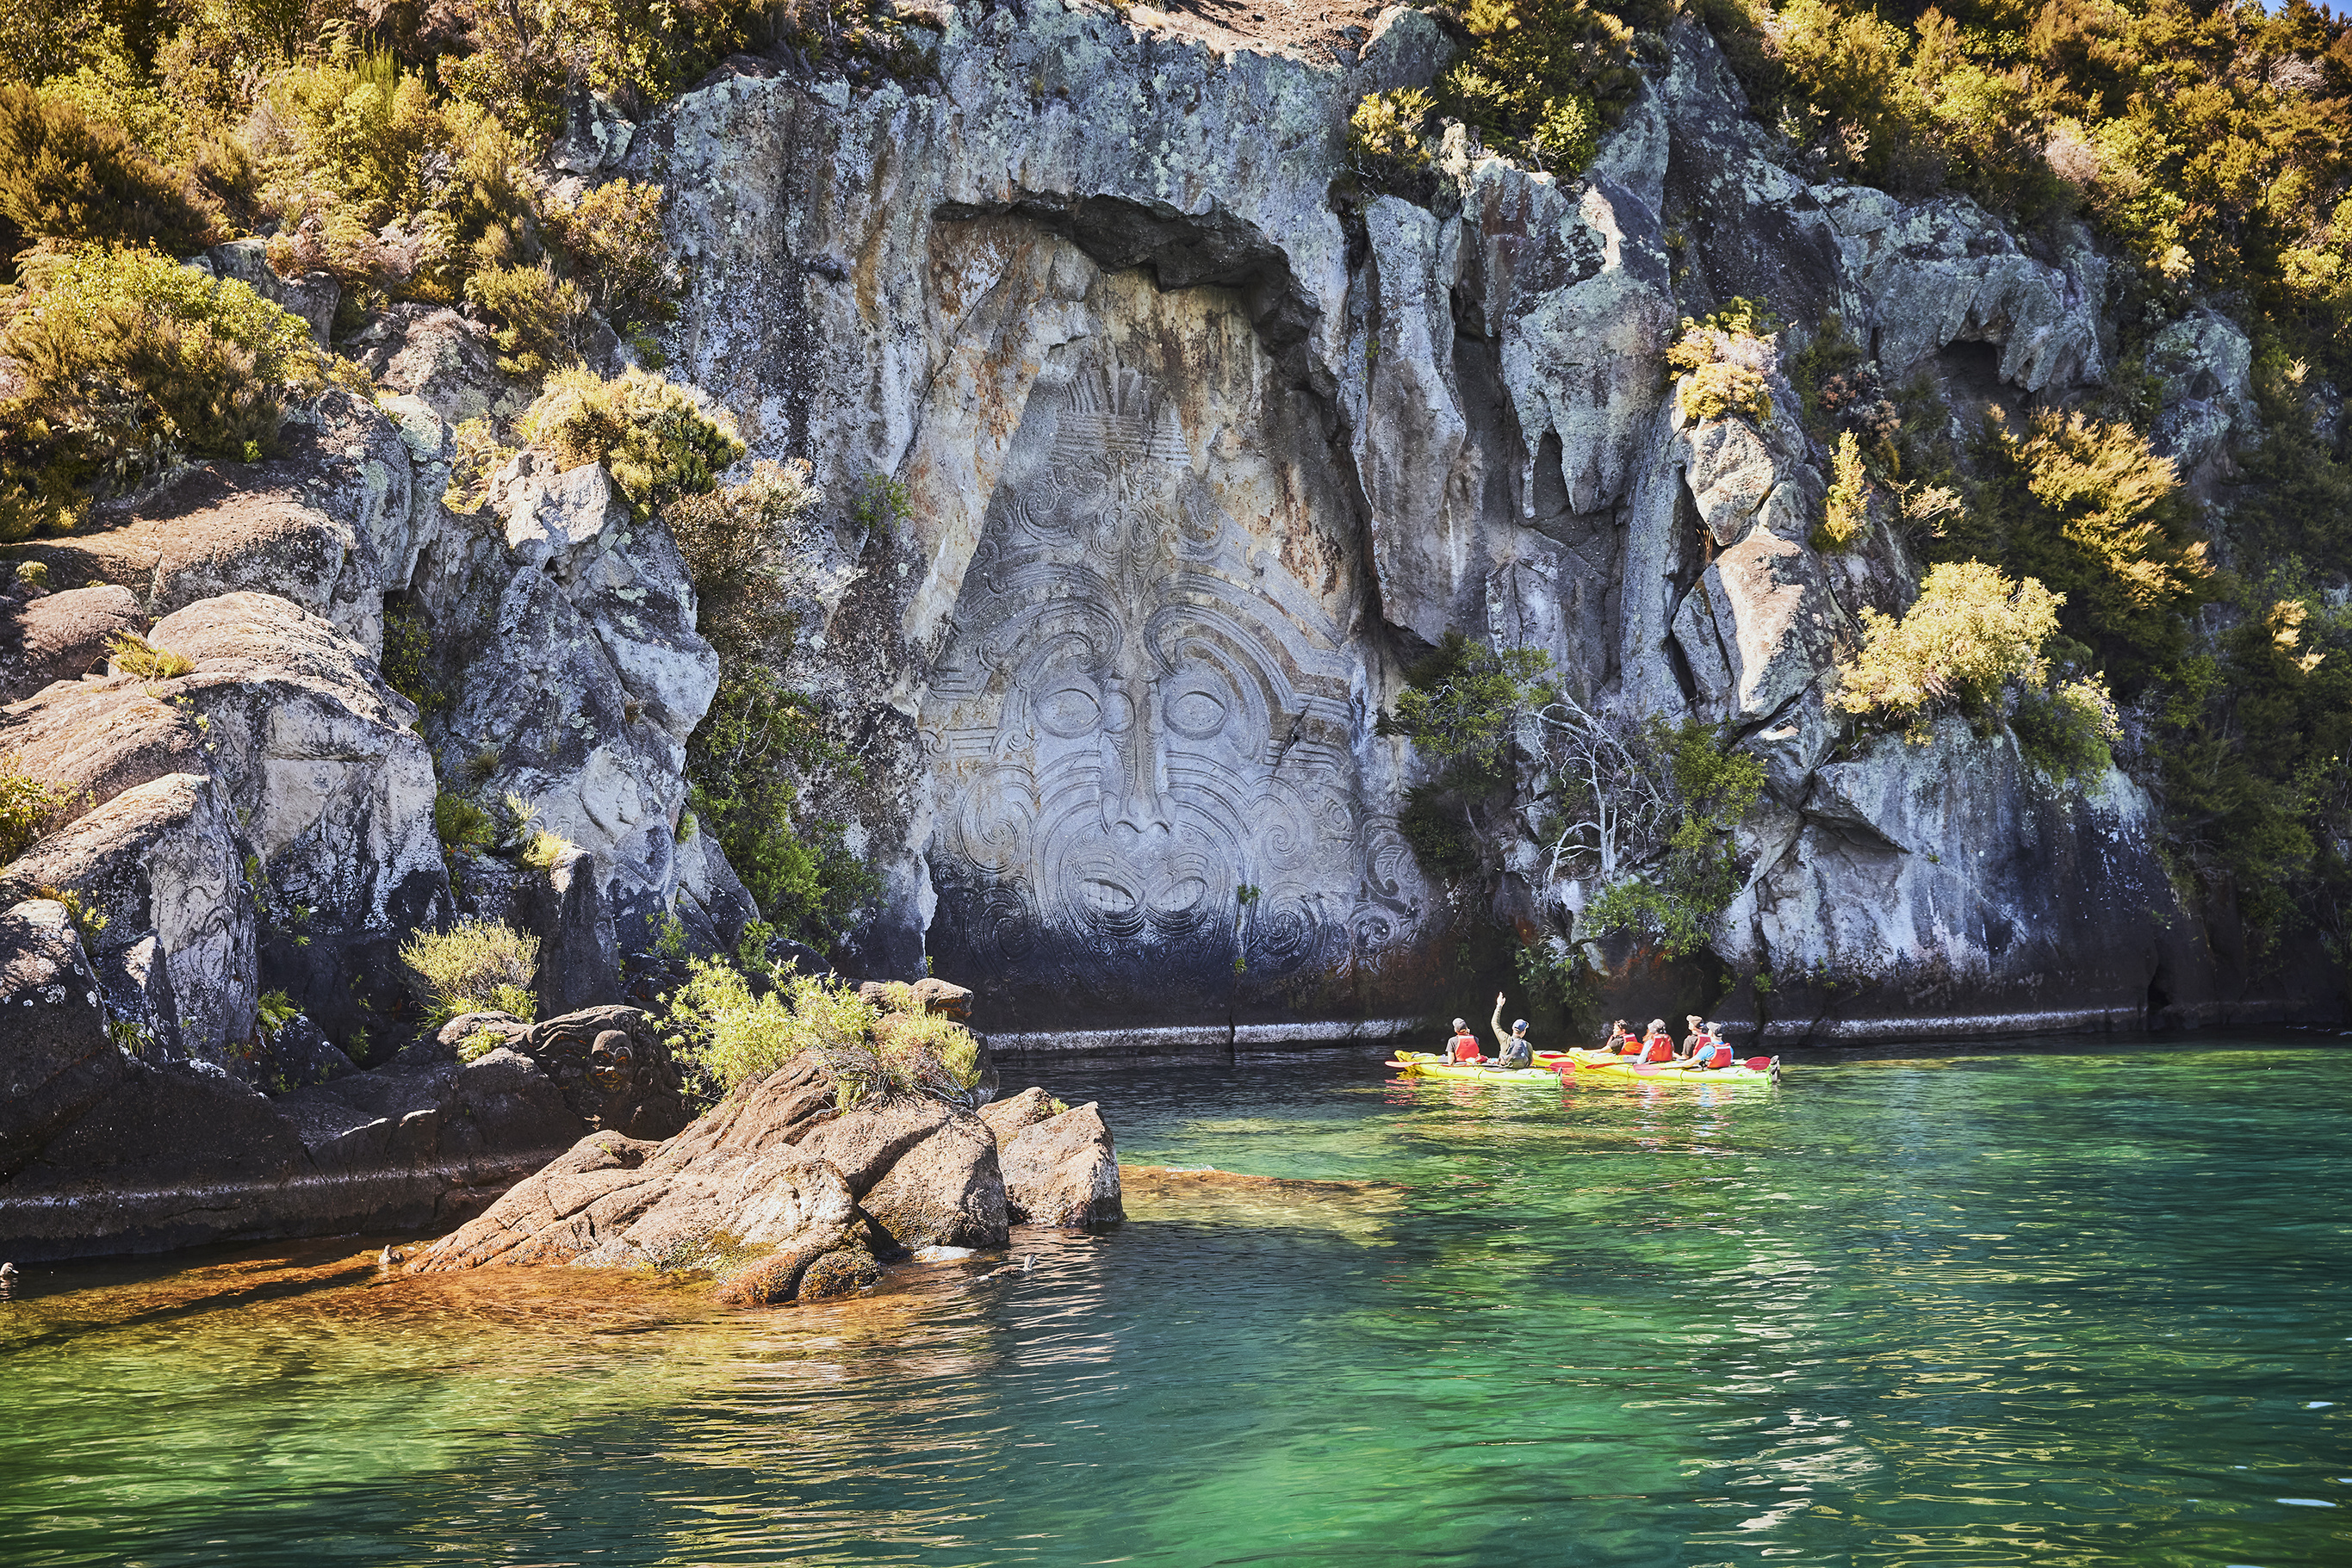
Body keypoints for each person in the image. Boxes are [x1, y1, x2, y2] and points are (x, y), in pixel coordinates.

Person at [1490, 994, 1533, 1069]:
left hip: (1505, 1069)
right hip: (1522, 1071)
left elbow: (1494, 1023)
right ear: (1524, 1031)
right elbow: (1530, 1062)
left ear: (1513, 1028)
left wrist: (1499, 1005)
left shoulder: (1505, 1039)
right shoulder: (1528, 1045)